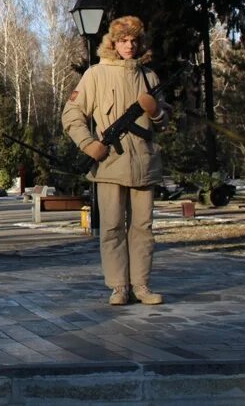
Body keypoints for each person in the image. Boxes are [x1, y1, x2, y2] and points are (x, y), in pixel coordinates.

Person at [62, 16, 168, 306]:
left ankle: (141, 285)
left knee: (143, 228)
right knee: (111, 228)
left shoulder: (150, 77)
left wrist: (156, 112)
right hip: (109, 164)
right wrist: (88, 144)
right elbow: (71, 115)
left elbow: (166, 121)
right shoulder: (96, 75)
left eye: (134, 40)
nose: (129, 46)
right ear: (113, 43)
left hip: (144, 164)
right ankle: (119, 286)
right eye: (123, 40)